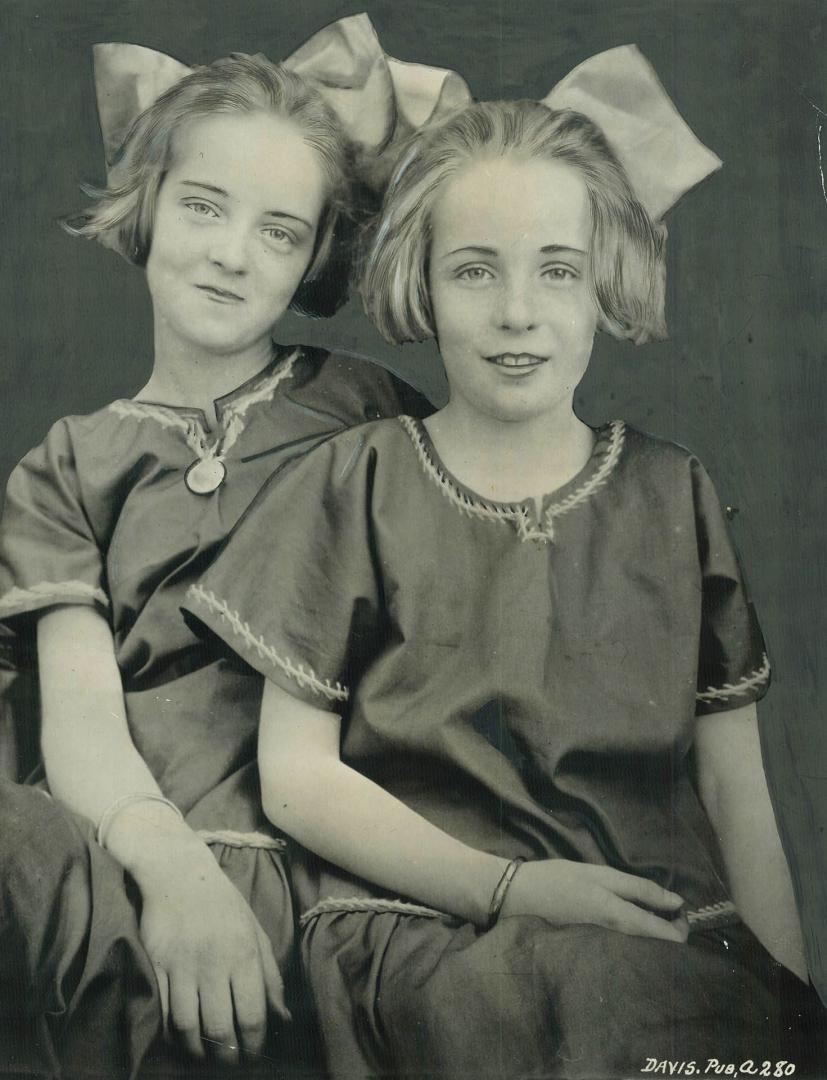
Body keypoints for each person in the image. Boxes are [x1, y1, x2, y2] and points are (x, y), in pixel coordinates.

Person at [184, 46, 825, 1079]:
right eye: (474, 270)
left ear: (604, 279)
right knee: (602, 1009)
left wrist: (792, 1015)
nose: (516, 312)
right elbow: (295, 778)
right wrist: (511, 889)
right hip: (434, 931)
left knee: (736, 1039)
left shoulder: (673, 492)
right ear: (421, 285)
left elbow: (734, 793)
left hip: (662, 934)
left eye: (554, 270)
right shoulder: (357, 480)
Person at [0, 16, 452, 1078]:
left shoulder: (369, 415)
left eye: (279, 231)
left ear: (314, 260)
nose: (230, 254)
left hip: (342, 863)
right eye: (204, 206)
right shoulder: (66, 466)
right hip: (133, 854)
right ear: (150, 204)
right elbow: (79, 723)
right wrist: (183, 884)